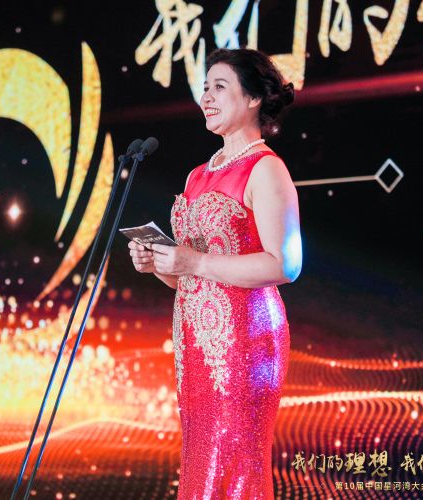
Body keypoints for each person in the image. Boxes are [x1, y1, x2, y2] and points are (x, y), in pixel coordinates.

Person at [128, 48, 301, 499]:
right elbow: (191, 276)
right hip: (195, 345)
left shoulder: (266, 169)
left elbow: (286, 264)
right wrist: (160, 263)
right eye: (205, 87)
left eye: (219, 87)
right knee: (202, 461)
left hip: (246, 340)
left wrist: (194, 262)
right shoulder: (196, 177)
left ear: (254, 99)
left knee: (235, 463)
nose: (206, 97)